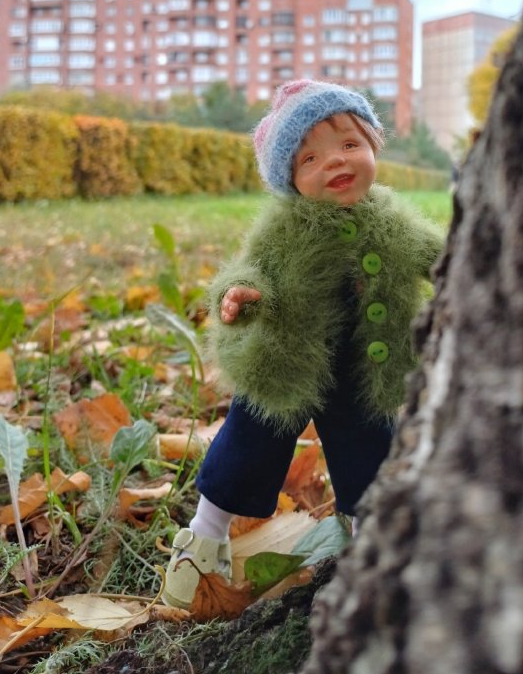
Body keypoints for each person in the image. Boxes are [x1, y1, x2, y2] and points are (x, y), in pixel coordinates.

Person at [162, 79, 445, 609]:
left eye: (349, 144)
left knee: (370, 454)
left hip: (362, 370)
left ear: (374, 146)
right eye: (310, 158)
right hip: (284, 362)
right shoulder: (283, 228)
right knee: (246, 446)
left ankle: (370, 546)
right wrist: (239, 295)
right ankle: (202, 537)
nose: (335, 161)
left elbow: (438, 255)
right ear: (290, 179)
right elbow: (249, 269)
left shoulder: (391, 219)